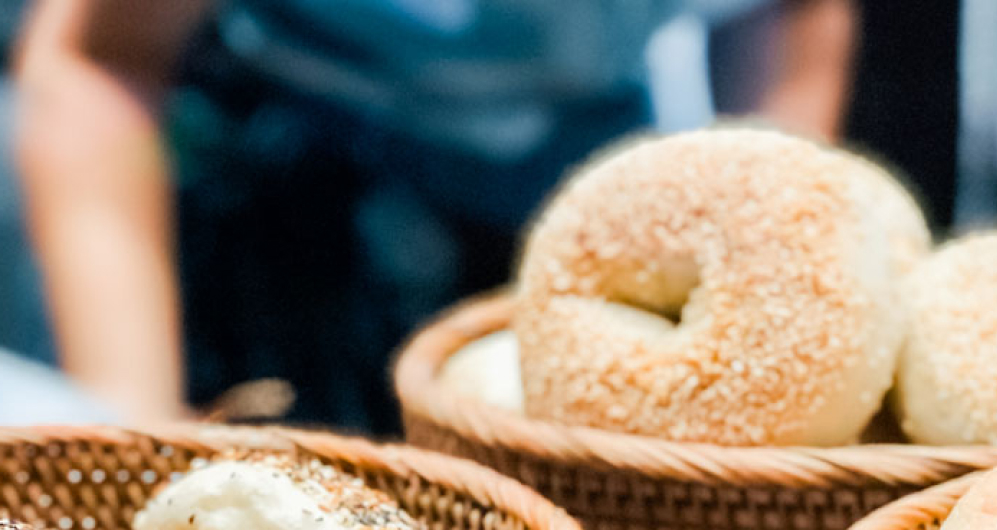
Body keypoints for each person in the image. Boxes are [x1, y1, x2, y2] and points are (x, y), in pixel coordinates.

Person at [13, 0, 856, 430]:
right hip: (262, 177)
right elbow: (102, 68)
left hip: (557, 186)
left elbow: (790, 20)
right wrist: (139, 421)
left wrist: (766, 268)